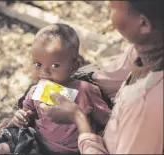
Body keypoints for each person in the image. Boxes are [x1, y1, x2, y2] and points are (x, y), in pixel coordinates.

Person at [40, 0, 163, 154]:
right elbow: (111, 75)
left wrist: (78, 118)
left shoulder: (147, 106)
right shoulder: (147, 47)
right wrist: (73, 81)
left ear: (143, 24)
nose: (106, 6)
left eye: (112, 6)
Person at [0, 23, 111, 155]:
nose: (44, 72)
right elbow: (28, 111)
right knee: (1, 149)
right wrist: (20, 118)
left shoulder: (85, 91)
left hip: (73, 150)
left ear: (74, 66)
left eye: (55, 65)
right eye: (38, 64)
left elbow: (108, 120)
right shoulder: (35, 91)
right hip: (38, 143)